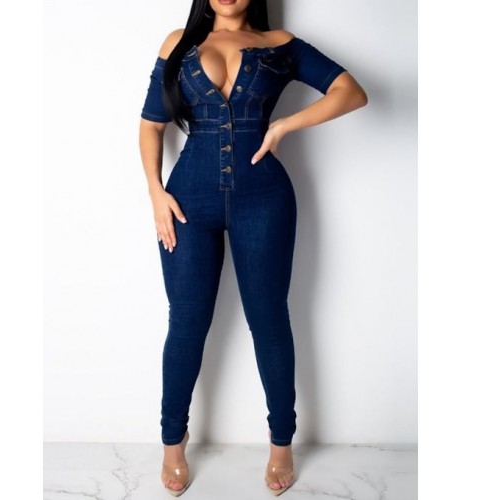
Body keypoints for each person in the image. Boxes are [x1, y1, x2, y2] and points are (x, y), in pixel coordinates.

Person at [138, 0, 367, 496]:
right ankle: (173, 441)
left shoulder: (279, 45)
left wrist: (283, 126)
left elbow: (351, 92)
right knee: (187, 322)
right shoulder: (178, 42)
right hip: (187, 201)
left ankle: (281, 441)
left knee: (269, 319)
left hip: (263, 197)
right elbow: (152, 124)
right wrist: (155, 193)